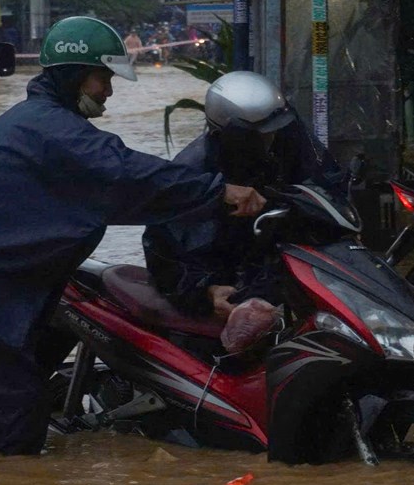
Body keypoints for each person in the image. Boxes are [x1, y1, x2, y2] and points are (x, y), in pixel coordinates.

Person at [0, 16, 265, 455]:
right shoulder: (55, 133)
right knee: (14, 425)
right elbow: (128, 176)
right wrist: (219, 192)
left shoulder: (34, 121)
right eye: (102, 78)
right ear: (75, 74)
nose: (108, 91)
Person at [142, 71, 346, 318]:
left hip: (290, 271)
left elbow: (330, 185)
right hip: (229, 291)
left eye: (275, 131)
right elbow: (162, 250)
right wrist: (206, 291)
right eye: (262, 135)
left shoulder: (292, 139)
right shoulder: (195, 174)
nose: (272, 139)